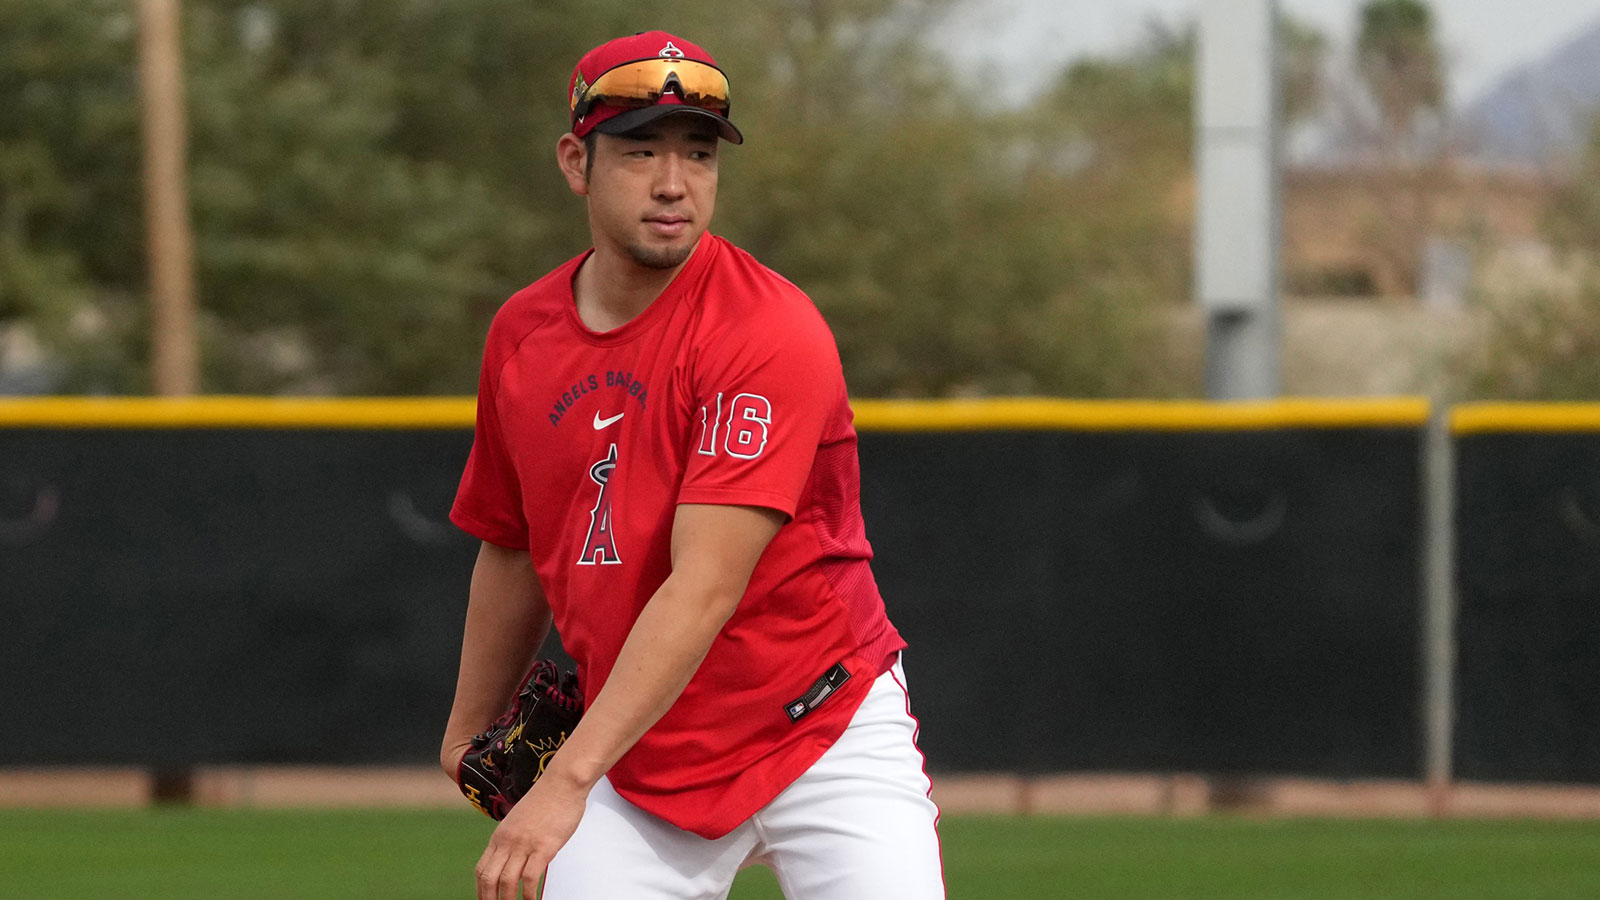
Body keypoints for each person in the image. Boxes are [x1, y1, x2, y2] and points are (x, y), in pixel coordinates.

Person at [440, 30, 944, 900]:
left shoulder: (766, 330)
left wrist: (563, 783)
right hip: (638, 748)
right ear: (576, 161)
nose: (674, 183)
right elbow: (511, 543)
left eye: (699, 155)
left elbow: (703, 585)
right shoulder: (522, 334)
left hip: (816, 724)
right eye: (640, 152)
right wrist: (466, 730)